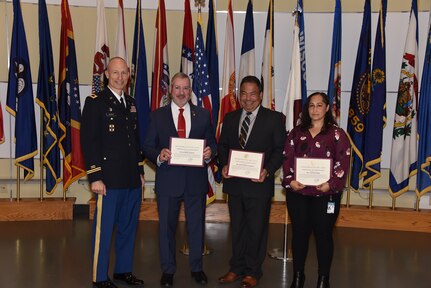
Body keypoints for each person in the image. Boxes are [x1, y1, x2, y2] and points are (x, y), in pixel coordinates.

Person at [143, 72, 217, 287]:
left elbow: (211, 141)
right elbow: (147, 146)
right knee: (166, 228)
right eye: (177, 88)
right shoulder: (157, 115)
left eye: (186, 88)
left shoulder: (203, 115)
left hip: (195, 181)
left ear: (190, 90)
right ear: (170, 90)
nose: (182, 92)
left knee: (196, 226)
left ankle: (197, 268)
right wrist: (159, 155)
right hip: (168, 181)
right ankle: (168, 270)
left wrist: (209, 152)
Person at [81, 57, 145, 288]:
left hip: (130, 178)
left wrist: (139, 170)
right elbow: (89, 142)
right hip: (107, 179)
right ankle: (99, 277)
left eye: (124, 73)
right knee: (104, 230)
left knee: (128, 228)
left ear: (129, 75)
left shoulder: (131, 102)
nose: (120, 77)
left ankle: (123, 270)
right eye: (115, 73)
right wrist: (95, 176)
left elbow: (134, 141)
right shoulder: (95, 102)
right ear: (106, 74)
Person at [218, 76, 286, 288]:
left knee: (256, 230)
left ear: (261, 95)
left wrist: (267, 170)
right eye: (244, 93)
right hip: (235, 184)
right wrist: (224, 165)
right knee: (237, 228)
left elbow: (279, 150)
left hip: (259, 184)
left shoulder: (275, 119)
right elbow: (223, 146)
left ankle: (253, 271)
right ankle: (236, 268)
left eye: (253, 93)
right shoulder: (230, 118)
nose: (248, 98)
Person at [282, 92, 351, 288]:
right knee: (300, 235)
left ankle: (323, 279)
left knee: (323, 235)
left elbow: (343, 163)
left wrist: (331, 184)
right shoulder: (296, 133)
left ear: (327, 108)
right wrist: (291, 181)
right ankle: (298, 276)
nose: (315, 110)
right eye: (311, 106)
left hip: (326, 195)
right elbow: (287, 159)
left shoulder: (337, 134)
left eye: (319, 105)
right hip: (299, 194)